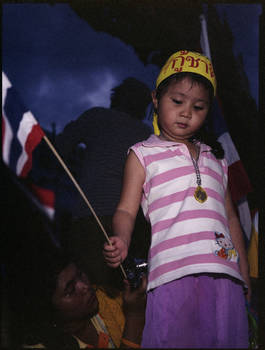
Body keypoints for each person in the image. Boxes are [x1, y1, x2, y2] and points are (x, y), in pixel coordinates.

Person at [103, 50, 251, 348]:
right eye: (177, 101)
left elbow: (231, 219)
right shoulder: (142, 154)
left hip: (224, 275)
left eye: (198, 106)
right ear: (156, 99)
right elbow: (126, 209)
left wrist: (244, 275)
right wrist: (121, 237)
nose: (186, 112)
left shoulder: (216, 159)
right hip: (171, 274)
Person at [55, 77, 152, 275]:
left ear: (116, 97)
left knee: (89, 285)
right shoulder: (146, 134)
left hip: (89, 216)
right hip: (131, 225)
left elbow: (60, 148)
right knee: (123, 286)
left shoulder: (96, 116)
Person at [22, 251, 147, 348]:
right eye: (71, 290)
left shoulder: (104, 298)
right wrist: (135, 317)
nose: (85, 286)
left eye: (80, 274)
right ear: (49, 310)